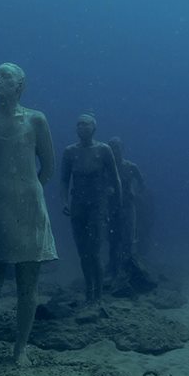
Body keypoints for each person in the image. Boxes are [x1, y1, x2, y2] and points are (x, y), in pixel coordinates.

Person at [0, 63, 56, 374]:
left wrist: (24, 193)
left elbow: (47, 166)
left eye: (5, 77)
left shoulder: (36, 120)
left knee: (27, 285)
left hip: (29, 209)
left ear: (20, 86)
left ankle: (20, 349)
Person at [60, 113, 120, 310]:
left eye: (85, 124)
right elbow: (64, 180)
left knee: (94, 252)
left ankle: (98, 294)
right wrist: (64, 201)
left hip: (98, 205)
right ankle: (88, 291)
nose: (81, 127)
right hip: (78, 206)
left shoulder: (103, 150)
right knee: (83, 253)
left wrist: (117, 203)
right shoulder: (70, 152)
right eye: (78, 124)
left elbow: (115, 178)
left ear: (94, 128)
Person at [107, 136, 145, 282]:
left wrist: (135, 194)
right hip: (112, 207)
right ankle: (113, 268)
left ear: (122, 149)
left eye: (117, 147)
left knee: (128, 238)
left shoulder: (131, 167)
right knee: (113, 239)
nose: (115, 150)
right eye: (112, 147)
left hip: (128, 206)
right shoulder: (106, 168)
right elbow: (99, 184)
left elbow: (142, 183)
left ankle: (127, 268)